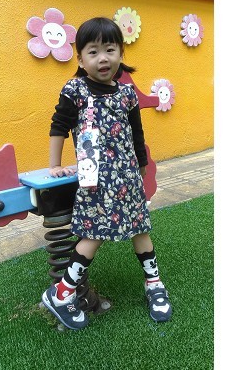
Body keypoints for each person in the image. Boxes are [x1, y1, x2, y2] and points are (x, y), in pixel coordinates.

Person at [40, 17, 172, 330]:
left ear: (121, 54)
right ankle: (61, 293)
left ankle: (154, 283)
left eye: (110, 50)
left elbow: (137, 134)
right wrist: (54, 164)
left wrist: (141, 167)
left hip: (128, 178)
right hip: (95, 181)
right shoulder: (75, 90)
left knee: (140, 228)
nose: (103, 58)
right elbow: (59, 126)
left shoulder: (127, 94)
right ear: (80, 59)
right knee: (93, 234)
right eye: (93, 51)